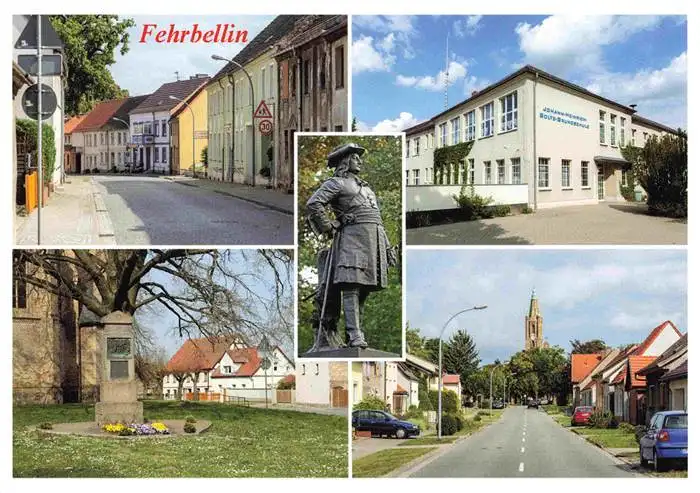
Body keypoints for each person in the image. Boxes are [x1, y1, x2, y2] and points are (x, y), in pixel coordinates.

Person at [306, 143, 397, 351]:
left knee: (364, 289)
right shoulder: (336, 183)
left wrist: (387, 247)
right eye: (356, 158)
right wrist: (328, 225)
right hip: (351, 241)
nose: (360, 161)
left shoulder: (367, 188)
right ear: (346, 161)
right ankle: (355, 335)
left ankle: (354, 334)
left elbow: (378, 220)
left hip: (372, 241)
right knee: (351, 287)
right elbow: (314, 203)